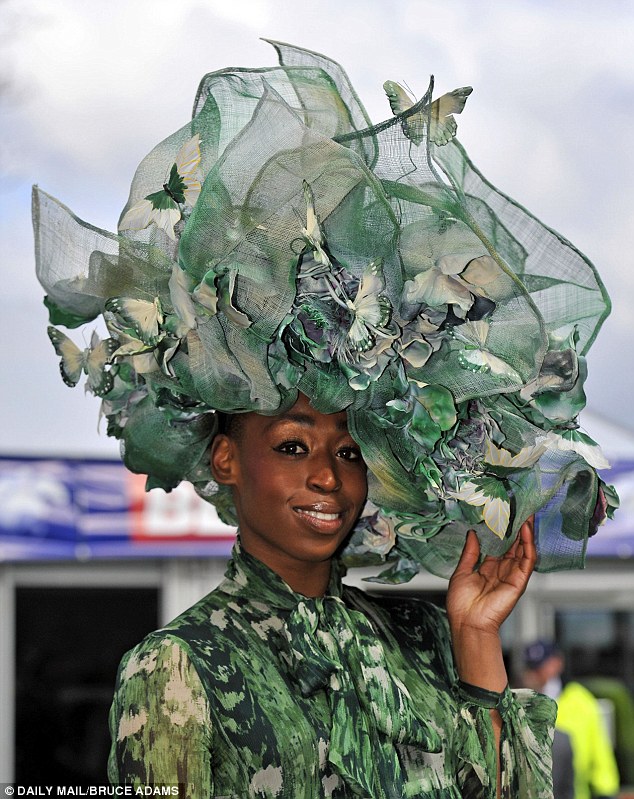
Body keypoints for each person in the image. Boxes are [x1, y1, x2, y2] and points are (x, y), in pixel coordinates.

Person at [33, 41, 615, 798]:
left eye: (348, 451)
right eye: (292, 442)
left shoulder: (422, 639)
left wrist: (474, 634)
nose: (327, 475)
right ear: (225, 460)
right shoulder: (182, 664)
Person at [522, 640, 620, 799]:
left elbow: (600, 751)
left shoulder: (580, 700)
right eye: (533, 668)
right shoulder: (521, 702)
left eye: (542, 666)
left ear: (557, 663)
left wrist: (605, 791)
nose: (538, 673)